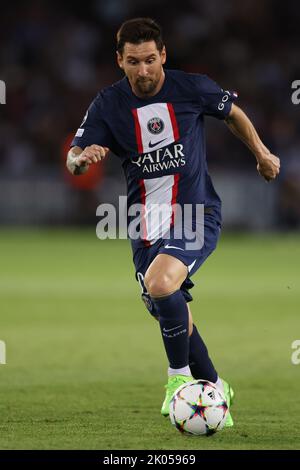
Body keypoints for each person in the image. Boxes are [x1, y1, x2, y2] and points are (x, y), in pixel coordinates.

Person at [66, 17, 280, 427]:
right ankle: (215, 384)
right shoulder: (108, 105)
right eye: (133, 62)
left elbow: (232, 112)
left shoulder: (191, 88)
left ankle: (177, 380)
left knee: (162, 284)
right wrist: (80, 160)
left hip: (196, 214)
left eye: (150, 60)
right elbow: (74, 158)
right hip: (145, 224)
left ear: (163, 55)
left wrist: (261, 153)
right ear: (120, 61)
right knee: (164, 304)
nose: (143, 71)